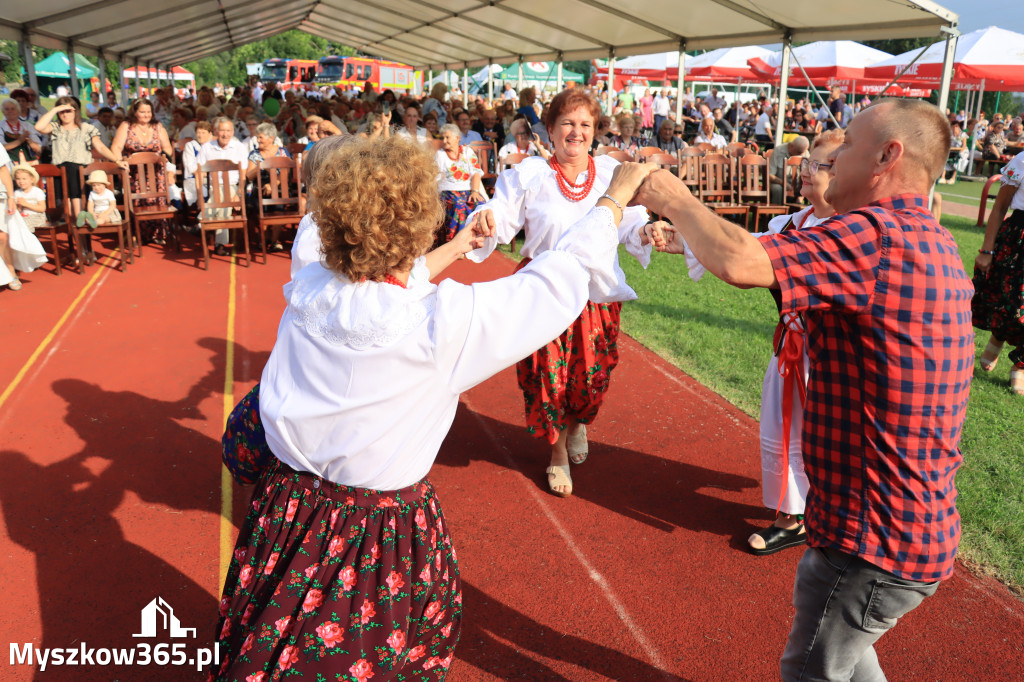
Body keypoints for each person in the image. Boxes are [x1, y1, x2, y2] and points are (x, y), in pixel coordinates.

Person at [212, 134, 654, 680]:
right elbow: (555, 283)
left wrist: (462, 243)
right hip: (374, 536)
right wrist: (614, 198)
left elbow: (391, 279)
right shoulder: (439, 325)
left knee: (265, 640)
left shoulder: (310, 288)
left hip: (285, 511)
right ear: (419, 220)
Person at [639, 99, 973, 681]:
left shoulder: (874, 236)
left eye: (844, 150)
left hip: (872, 534)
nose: (831, 161)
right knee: (847, 657)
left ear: (886, 157)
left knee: (811, 671)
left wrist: (672, 196)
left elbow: (742, 261)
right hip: (912, 521)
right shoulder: (935, 241)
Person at [467, 89, 656, 497]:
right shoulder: (529, 174)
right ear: (550, 130)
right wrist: (486, 218)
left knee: (589, 378)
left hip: (594, 293)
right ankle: (556, 456)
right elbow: (502, 215)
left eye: (585, 124)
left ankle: (577, 423)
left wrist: (646, 230)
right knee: (546, 379)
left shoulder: (609, 173)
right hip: (543, 290)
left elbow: (629, 222)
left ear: (595, 131)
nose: (576, 132)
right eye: (567, 123)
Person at [747, 130, 844, 555]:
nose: (805, 172)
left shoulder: (851, 230)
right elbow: (750, 254)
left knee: (830, 433)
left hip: (836, 358)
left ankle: (825, 511)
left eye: (816, 166)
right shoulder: (789, 224)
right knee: (786, 427)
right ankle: (791, 517)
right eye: (805, 164)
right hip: (793, 351)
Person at [34, 98, 125, 263]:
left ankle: (86, 250)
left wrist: (116, 161)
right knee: (68, 216)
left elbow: (101, 147)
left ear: (75, 111)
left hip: (78, 173)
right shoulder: (55, 127)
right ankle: (78, 250)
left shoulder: (87, 128)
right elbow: (38, 127)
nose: (65, 114)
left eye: (68, 110)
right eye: (62, 111)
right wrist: (56, 110)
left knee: (79, 215)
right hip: (61, 174)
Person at [972, 149, 1024, 395]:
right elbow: (1000, 207)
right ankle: (997, 337)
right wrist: (987, 250)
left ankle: (1021, 367)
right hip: (1017, 239)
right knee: (1011, 303)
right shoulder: (1022, 160)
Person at [111, 98, 175, 246]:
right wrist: (120, 161)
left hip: (155, 173)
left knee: (157, 200)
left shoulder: (157, 126)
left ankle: (158, 233)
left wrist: (163, 156)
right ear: (135, 112)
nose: (146, 115)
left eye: (148, 112)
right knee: (137, 202)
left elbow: (167, 148)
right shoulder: (126, 126)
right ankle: (137, 234)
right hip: (134, 174)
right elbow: (116, 148)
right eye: (142, 112)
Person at [197, 117, 248, 256]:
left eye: (228, 131)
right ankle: (220, 245)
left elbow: (243, 174)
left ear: (232, 132)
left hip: (233, 186)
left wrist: (238, 193)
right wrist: (199, 194)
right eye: (222, 131)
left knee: (224, 196)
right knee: (222, 198)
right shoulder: (207, 147)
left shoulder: (239, 147)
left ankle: (201, 220)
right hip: (212, 187)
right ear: (215, 131)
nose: (225, 134)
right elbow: (199, 173)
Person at [435, 123, 487, 244]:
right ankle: (457, 243)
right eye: (442, 138)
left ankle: (477, 239)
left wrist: (475, 191)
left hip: (468, 189)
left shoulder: (467, 151)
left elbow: (476, 173)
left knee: (480, 203)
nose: (444, 141)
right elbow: (435, 178)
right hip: (447, 191)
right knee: (458, 205)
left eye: (447, 137)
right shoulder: (440, 155)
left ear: (457, 138)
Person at [245, 121, 292, 253]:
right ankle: (264, 239)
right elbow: (249, 176)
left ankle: (274, 240)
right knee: (260, 204)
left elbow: (285, 172)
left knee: (278, 204)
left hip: (279, 184)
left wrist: (272, 184)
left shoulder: (282, 151)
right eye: (257, 137)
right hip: (260, 186)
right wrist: (261, 166)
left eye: (261, 137)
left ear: (271, 138)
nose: (258, 140)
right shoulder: (254, 154)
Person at [768, 135, 809, 204]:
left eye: (803, 152)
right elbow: (770, 174)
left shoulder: (806, 153)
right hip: (779, 183)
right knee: (778, 189)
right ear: (791, 146)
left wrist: (802, 194)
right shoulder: (778, 151)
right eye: (799, 152)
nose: (801, 154)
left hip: (798, 185)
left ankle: (801, 211)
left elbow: (809, 175)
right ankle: (778, 212)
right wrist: (783, 183)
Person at [13, 163, 47, 232]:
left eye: (24, 179)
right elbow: (18, 211)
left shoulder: (37, 191)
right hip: (22, 217)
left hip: (37, 216)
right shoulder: (17, 193)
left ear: (32, 179)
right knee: (12, 224)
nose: (21, 181)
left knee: (23, 224)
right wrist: (19, 207)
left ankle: (28, 241)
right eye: (18, 179)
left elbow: (42, 208)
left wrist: (26, 204)